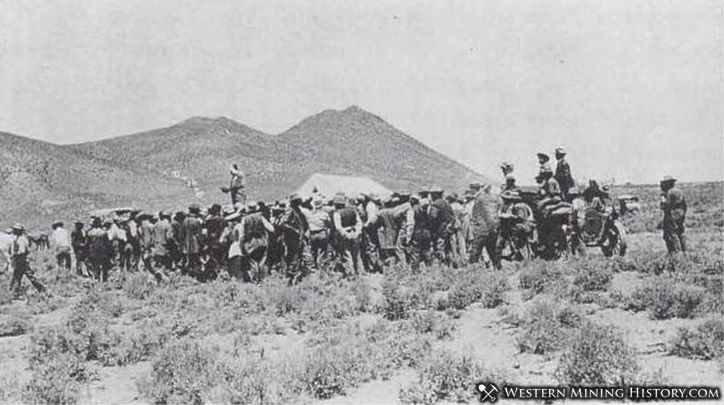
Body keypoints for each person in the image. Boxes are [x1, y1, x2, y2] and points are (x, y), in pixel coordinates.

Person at [238, 202, 275, 282]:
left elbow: (241, 234)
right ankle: (262, 280)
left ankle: (255, 280)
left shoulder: (245, 219)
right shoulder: (261, 217)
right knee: (262, 261)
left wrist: (241, 245)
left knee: (253, 262)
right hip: (262, 241)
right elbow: (271, 229)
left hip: (250, 243)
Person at [468, 182, 501, 268]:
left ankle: (472, 269)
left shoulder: (479, 198)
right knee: (492, 249)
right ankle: (497, 267)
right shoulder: (495, 198)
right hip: (493, 228)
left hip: (481, 228)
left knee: (476, 249)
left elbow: (474, 213)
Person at [9, 224, 46, 296]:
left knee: (23, 276)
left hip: (21, 261)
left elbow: (22, 251)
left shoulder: (21, 240)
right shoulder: (19, 238)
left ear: (18, 231)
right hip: (20, 261)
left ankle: (42, 290)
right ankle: (14, 292)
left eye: (15, 229)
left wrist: (14, 254)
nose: (13, 231)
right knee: (17, 277)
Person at [279, 194, 308, 284]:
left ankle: (294, 276)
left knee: (297, 257)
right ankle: (291, 278)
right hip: (292, 239)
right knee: (293, 257)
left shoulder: (298, 211)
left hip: (298, 238)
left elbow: (304, 224)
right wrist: (295, 231)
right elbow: (283, 223)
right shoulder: (290, 211)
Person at [332, 195, 362, 276]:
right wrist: (357, 233)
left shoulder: (337, 213)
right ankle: (359, 272)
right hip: (354, 232)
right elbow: (359, 223)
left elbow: (338, 227)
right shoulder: (353, 211)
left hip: (345, 234)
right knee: (356, 254)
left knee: (347, 254)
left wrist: (345, 235)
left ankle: (351, 274)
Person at [428, 187, 457, 266]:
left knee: (439, 249)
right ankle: (449, 265)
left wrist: (432, 230)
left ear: (435, 194)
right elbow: (453, 217)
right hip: (448, 230)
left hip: (440, 231)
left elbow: (433, 218)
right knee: (447, 249)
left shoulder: (436, 204)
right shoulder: (446, 203)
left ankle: (441, 266)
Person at [660, 176, 687, 253]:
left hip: (672, 213)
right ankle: (684, 250)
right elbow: (685, 205)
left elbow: (667, 205)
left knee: (672, 234)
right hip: (680, 213)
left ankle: (677, 252)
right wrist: (683, 214)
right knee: (681, 232)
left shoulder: (669, 193)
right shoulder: (680, 192)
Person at [180, 204, 204, 276]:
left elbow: (181, 234)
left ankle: (188, 274)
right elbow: (198, 234)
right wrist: (202, 243)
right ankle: (195, 274)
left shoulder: (185, 221)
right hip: (195, 244)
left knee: (189, 260)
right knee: (196, 260)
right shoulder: (196, 221)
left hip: (186, 244)